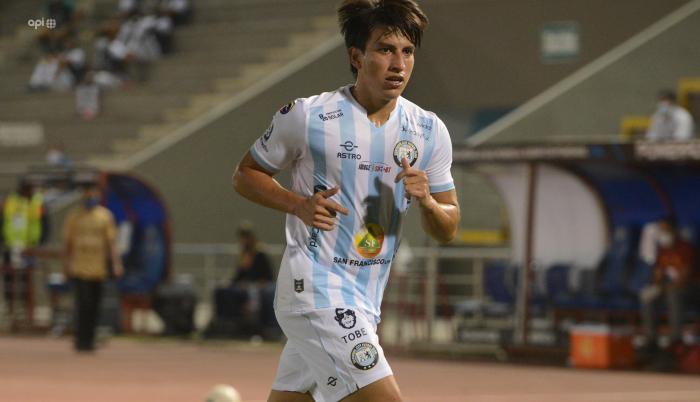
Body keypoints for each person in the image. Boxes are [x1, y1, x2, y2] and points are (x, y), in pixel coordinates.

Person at [232, 1, 460, 400]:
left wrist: (427, 202)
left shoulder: (428, 131)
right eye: (385, 50)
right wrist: (297, 204)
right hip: (314, 289)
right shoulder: (308, 116)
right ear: (356, 56)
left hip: (365, 299)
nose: (399, 64)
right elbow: (245, 174)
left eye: (407, 52)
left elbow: (448, 227)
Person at [63, 183, 123, 352]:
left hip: (98, 268)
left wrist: (116, 264)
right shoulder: (74, 217)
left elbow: (111, 243)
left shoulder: (104, 216)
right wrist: (66, 265)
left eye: (93, 195)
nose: (90, 198)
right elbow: (68, 244)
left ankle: (89, 340)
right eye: (87, 195)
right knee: (83, 303)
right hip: (79, 266)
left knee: (95, 305)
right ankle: (80, 339)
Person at [639, 218, 695, 353]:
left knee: (673, 295)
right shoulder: (662, 250)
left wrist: (663, 288)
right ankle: (651, 340)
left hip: (690, 289)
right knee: (648, 298)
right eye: (660, 231)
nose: (662, 234)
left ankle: (676, 341)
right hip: (669, 288)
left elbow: (683, 279)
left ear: (673, 230)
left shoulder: (685, 248)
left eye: (665, 230)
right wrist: (654, 288)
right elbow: (658, 274)